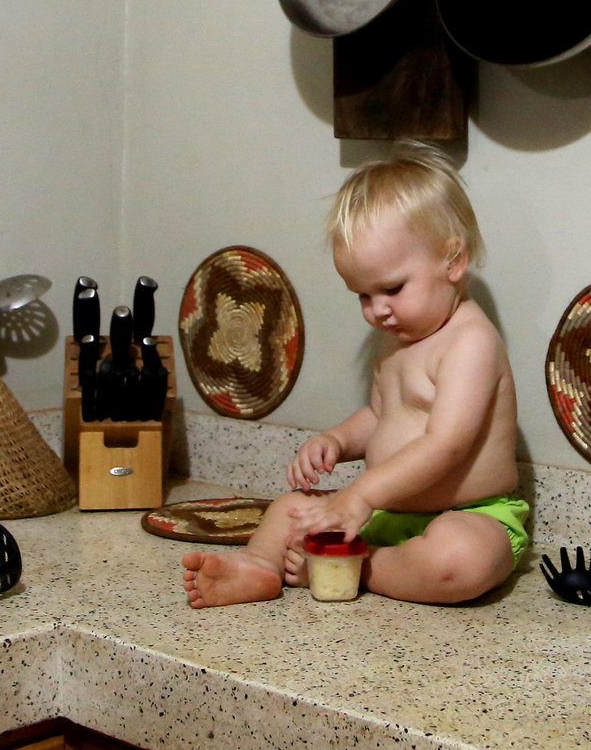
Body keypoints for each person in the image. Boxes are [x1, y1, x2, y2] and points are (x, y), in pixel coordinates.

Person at [183, 146, 526, 607]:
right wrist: (340, 442)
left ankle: (356, 566)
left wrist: (359, 496)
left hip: (470, 514)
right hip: (388, 511)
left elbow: (448, 445)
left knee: (460, 560)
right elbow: (381, 415)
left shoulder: (472, 343)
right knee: (289, 510)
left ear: (452, 261)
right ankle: (259, 568)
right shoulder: (399, 339)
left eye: (392, 288)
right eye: (362, 295)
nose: (377, 310)